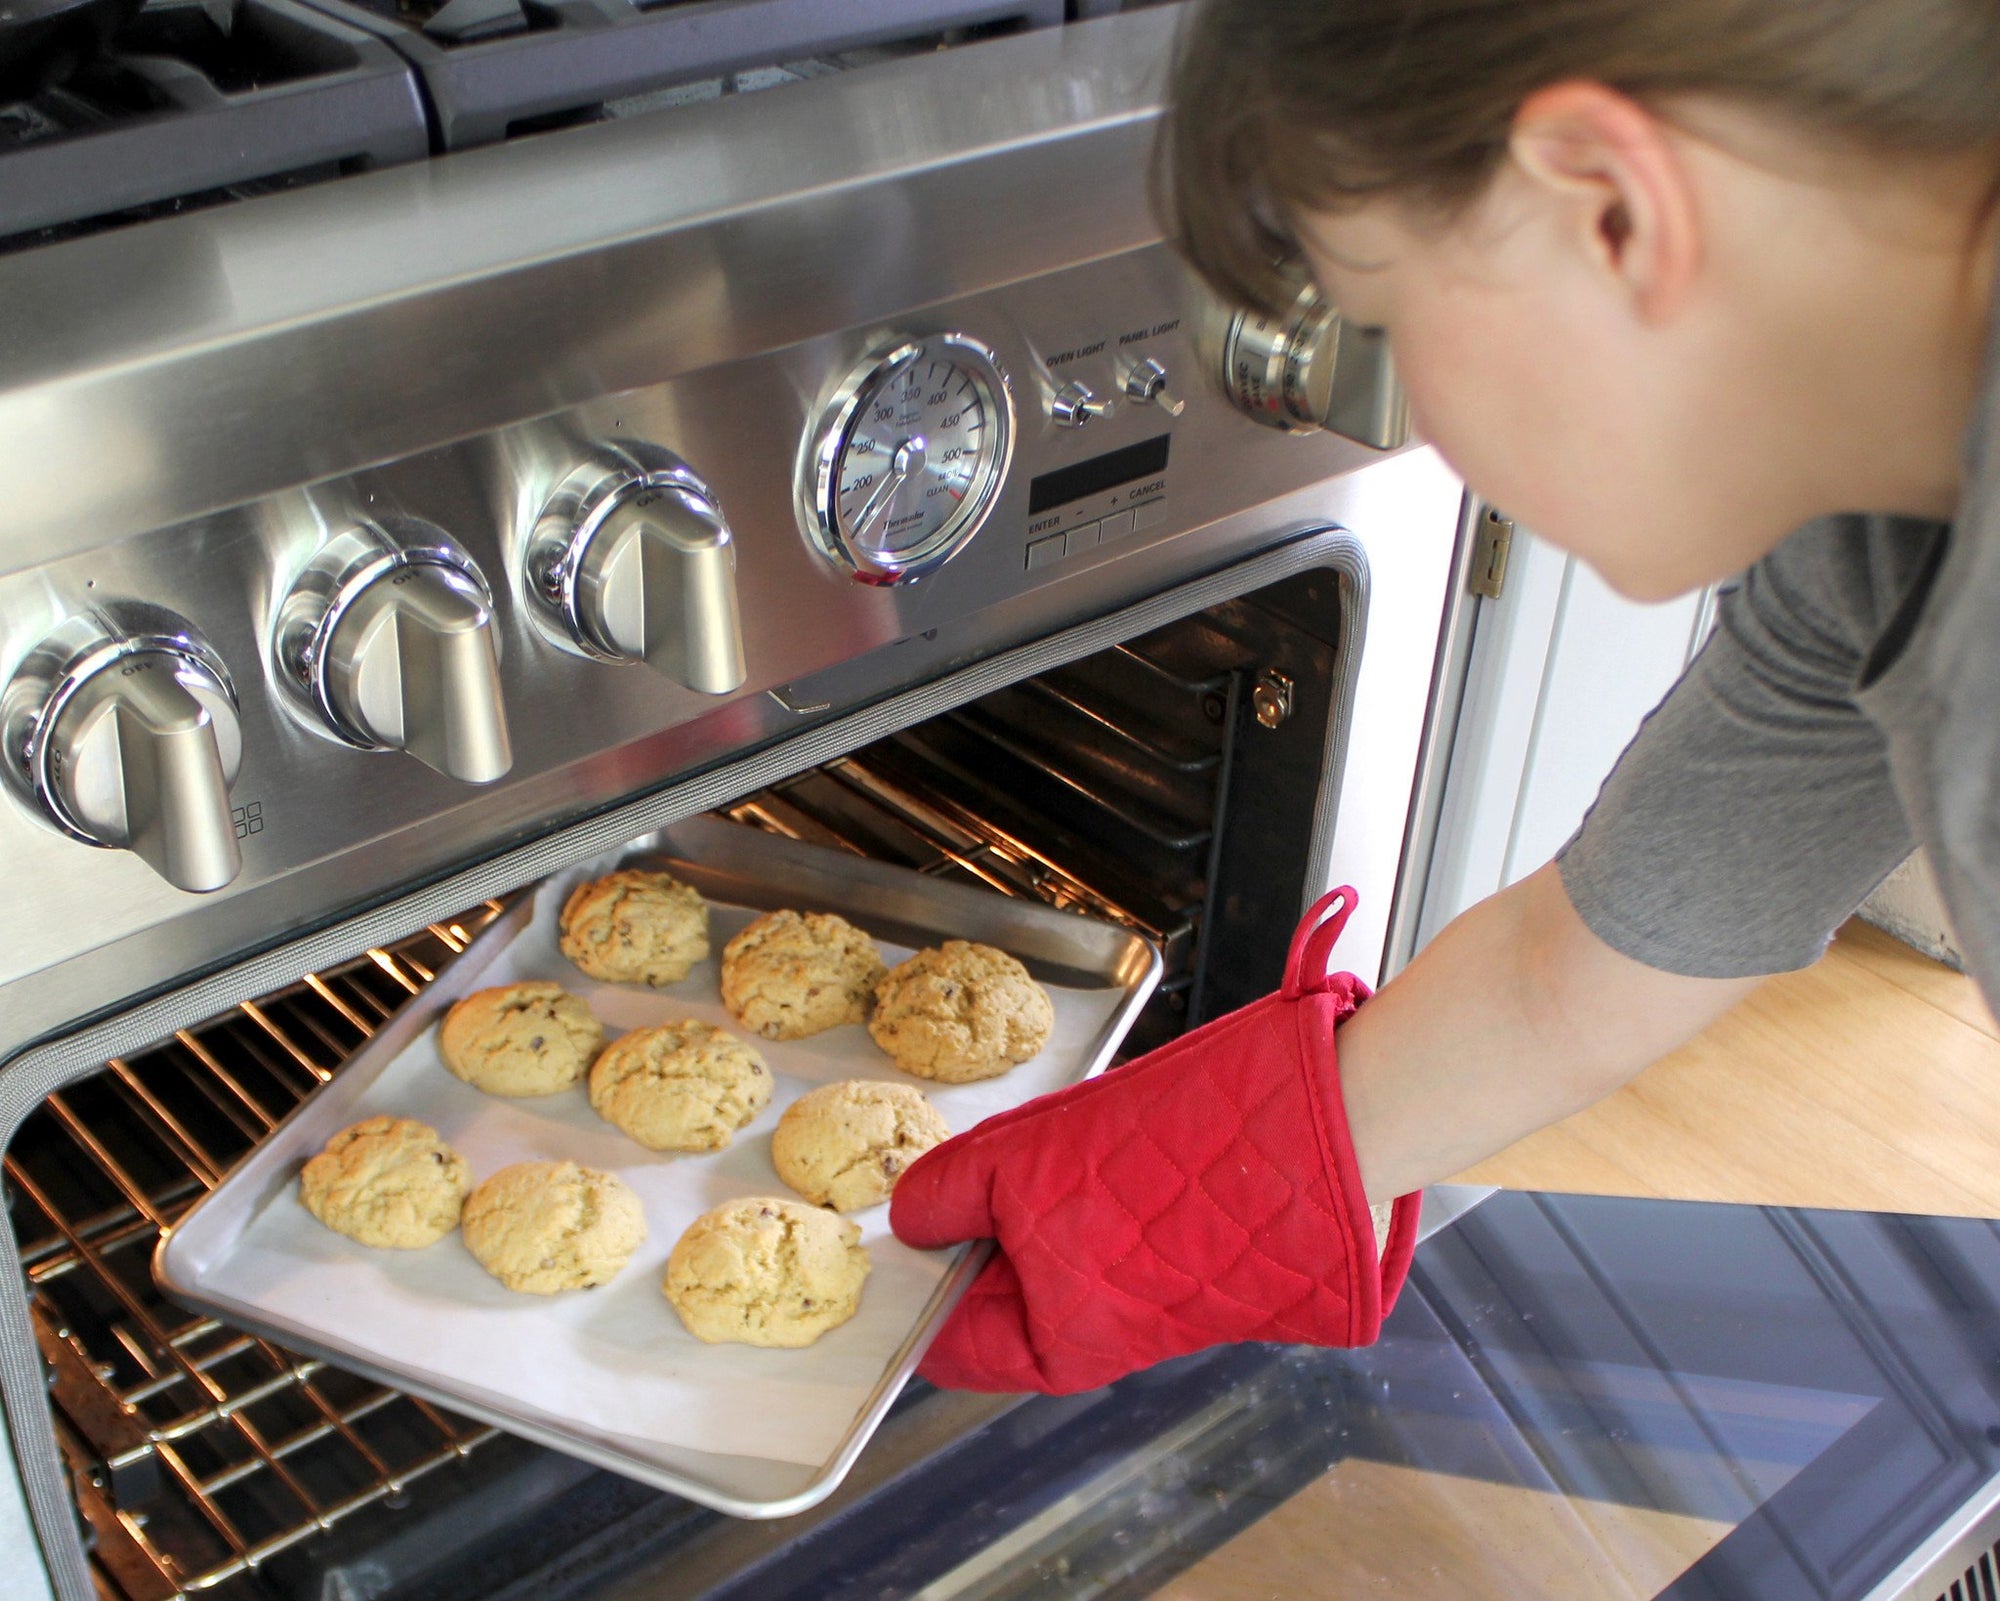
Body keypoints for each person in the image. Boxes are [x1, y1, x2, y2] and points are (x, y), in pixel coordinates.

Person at [889, 0, 2000, 1393]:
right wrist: (1156, 1202)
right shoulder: (1865, 528)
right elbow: (1571, 970)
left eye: (1388, 317)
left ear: (1610, 212)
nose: (1424, 418)